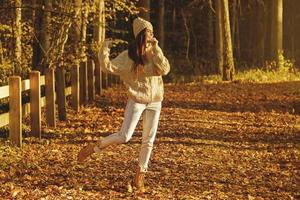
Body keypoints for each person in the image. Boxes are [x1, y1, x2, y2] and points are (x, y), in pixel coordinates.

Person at [77, 17, 170, 193]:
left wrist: (156, 48)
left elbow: (165, 69)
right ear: (141, 34)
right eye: (149, 32)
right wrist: (104, 49)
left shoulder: (155, 52)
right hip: (137, 100)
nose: (152, 34)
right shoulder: (129, 56)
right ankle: (94, 148)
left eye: (152, 31)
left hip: (156, 101)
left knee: (148, 140)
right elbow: (108, 67)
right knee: (124, 136)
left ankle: (140, 176)